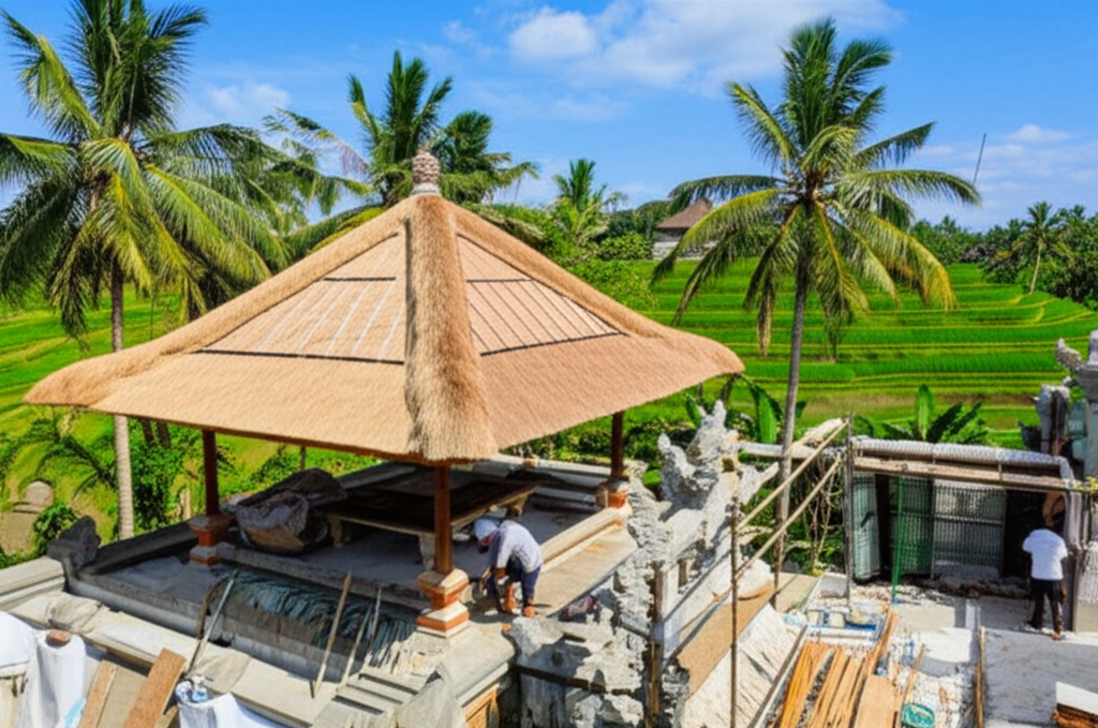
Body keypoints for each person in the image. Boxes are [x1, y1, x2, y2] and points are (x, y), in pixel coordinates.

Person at [474, 517, 543, 618]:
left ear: (487, 539)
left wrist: (502, 595)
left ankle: (520, 606)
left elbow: (500, 570)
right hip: (534, 559)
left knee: (503, 580)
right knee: (523, 586)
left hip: (528, 566)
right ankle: (519, 601)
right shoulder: (508, 527)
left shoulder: (503, 542)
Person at [1023, 516, 1069, 639]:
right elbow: (1064, 554)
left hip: (1037, 574)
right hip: (1053, 575)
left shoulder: (1034, 536)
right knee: (1055, 602)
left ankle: (1036, 622)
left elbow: (1025, 547)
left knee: (1039, 601)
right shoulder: (1058, 540)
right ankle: (1057, 627)